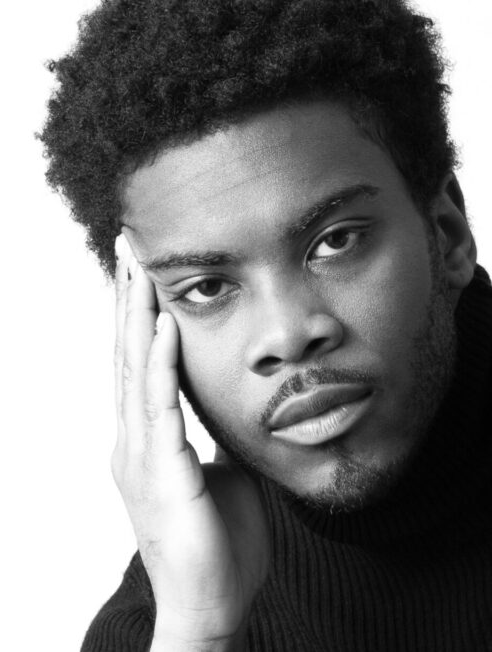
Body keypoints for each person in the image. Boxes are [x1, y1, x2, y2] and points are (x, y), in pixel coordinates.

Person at [39, 0, 491, 650]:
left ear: (445, 233)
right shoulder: (167, 621)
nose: (286, 335)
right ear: (148, 324)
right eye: (208, 287)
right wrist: (202, 629)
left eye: (336, 242)